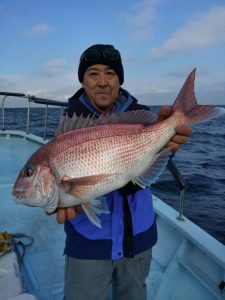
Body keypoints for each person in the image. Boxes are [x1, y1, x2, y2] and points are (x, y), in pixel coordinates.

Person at [56, 44, 192, 300]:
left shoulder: (139, 118)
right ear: (83, 82)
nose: (103, 82)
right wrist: (55, 195)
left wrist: (166, 145)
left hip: (139, 237)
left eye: (110, 73)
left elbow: (144, 168)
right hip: (88, 243)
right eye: (93, 74)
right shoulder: (68, 130)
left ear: (119, 80)